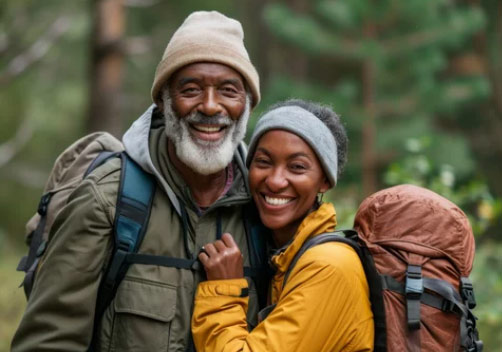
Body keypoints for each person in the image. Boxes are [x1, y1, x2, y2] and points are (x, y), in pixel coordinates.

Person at [11, 11, 261, 352]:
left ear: (246, 104)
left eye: (229, 91)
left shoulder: (264, 208)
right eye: (191, 89)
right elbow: (49, 342)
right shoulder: (109, 198)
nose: (210, 106)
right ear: (163, 101)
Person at [192, 100, 374, 351]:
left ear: (325, 181)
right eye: (264, 162)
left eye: (297, 167)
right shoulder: (287, 258)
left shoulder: (329, 266)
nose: (276, 181)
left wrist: (225, 290)